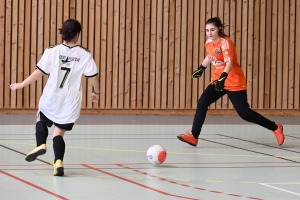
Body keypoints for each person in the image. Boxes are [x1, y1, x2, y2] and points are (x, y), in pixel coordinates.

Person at [10, 19, 100, 176]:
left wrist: (21, 84)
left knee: (41, 119)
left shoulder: (52, 50)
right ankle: (58, 162)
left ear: (63, 33)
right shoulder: (85, 54)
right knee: (58, 133)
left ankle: (41, 144)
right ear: (78, 34)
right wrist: (96, 93)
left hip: (52, 95)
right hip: (70, 101)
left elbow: (39, 72)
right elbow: (94, 77)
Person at [177, 17, 284, 147]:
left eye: (212, 29)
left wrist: (222, 78)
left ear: (219, 29)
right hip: (218, 79)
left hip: (233, 80)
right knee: (202, 102)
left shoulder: (226, 43)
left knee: (244, 113)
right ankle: (194, 136)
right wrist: (201, 68)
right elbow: (210, 56)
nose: (209, 33)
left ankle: (275, 128)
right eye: (207, 30)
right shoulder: (209, 42)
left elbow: (229, 63)